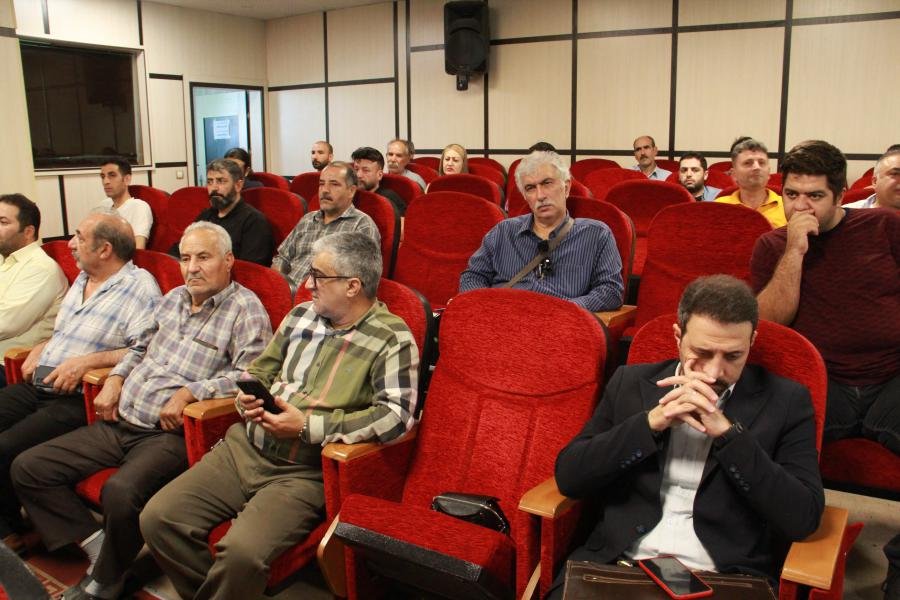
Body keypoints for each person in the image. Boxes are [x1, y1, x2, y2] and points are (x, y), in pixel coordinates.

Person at [140, 231, 419, 599]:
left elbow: (396, 416)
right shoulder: (300, 315)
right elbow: (258, 372)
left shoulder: (392, 338)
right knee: (158, 518)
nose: (308, 284)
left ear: (353, 286)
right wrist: (247, 400)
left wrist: (308, 427)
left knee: (240, 556)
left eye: (318, 276)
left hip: (302, 471)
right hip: (243, 449)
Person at [11, 222, 271, 600]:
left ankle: (106, 578)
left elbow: (252, 377)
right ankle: (103, 548)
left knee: (120, 491)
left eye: (203, 257)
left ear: (228, 260)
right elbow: (139, 348)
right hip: (121, 420)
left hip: (170, 434)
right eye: (185, 258)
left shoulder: (244, 309)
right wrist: (115, 379)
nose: (192, 268)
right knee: (29, 467)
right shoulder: (174, 298)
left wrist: (190, 392)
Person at [548, 275, 824, 598]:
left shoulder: (787, 401)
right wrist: (651, 423)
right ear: (678, 336)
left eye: (733, 356)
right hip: (621, 566)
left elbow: (802, 517)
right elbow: (570, 476)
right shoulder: (630, 383)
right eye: (702, 352)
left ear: (752, 341)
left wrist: (729, 435)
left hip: (724, 577)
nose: (714, 372)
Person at [749, 141, 900, 599]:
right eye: (792, 194)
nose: (801, 206)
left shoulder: (885, 227)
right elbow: (769, 324)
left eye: (814, 196)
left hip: (891, 376)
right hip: (820, 381)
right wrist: (795, 250)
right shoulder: (772, 245)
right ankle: (771, 564)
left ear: (841, 195)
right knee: (757, 446)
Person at [0, 211, 160, 556]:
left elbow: (144, 349)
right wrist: (42, 346)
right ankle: (11, 523)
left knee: (7, 446)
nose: (70, 244)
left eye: (79, 237)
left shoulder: (139, 286)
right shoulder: (83, 278)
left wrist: (86, 363)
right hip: (42, 380)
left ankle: (11, 533)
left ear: (105, 249)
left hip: (78, 395)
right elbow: (65, 331)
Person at [459, 151, 623, 312]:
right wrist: (487, 307)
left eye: (547, 183)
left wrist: (564, 310)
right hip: (502, 317)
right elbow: (472, 276)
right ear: (525, 196)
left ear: (566, 187)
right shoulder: (503, 232)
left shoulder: (596, 234)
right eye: (530, 188)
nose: (540, 195)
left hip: (560, 321)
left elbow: (611, 290)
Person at [272, 162, 380, 295]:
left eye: (334, 184)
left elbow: (360, 281)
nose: (325, 190)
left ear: (351, 191)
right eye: (321, 184)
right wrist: (279, 288)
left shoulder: (361, 225)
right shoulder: (307, 219)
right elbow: (282, 259)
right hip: (287, 294)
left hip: (325, 300)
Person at [0, 194, 67, 386]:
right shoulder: (5, 259)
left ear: (28, 231)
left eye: (3, 222)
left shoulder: (40, 268)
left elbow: (5, 324)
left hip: (14, 367)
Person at [173, 159, 274, 266]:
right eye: (210, 182)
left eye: (221, 181)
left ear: (238, 185)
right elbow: (178, 250)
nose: (214, 188)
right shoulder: (206, 216)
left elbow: (249, 270)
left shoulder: (254, 221)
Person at [716, 138, 785, 227]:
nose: (757, 167)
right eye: (748, 163)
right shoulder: (719, 206)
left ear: (769, 172)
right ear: (734, 174)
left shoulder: (787, 206)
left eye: (761, 163)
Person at [95, 158, 153, 249]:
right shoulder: (103, 205)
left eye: (112, 175)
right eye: (103, 177)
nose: (105, 182)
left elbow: (139, 249)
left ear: (127, 179)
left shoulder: (139, 207)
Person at [351, 146, 406, 216]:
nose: (358, 175)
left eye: (365, 170)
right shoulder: (350, 195)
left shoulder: (388, 198)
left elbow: (402, 222)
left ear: (379, 175)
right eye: (356, 169)